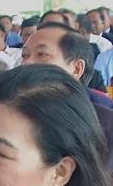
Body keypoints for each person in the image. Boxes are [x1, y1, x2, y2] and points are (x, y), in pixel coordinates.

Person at [20, 25, 113, 168]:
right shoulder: (13, 111)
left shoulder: (105, 124)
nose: (27, 63)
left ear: (77, 69)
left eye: (42, 54)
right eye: (25, 55)